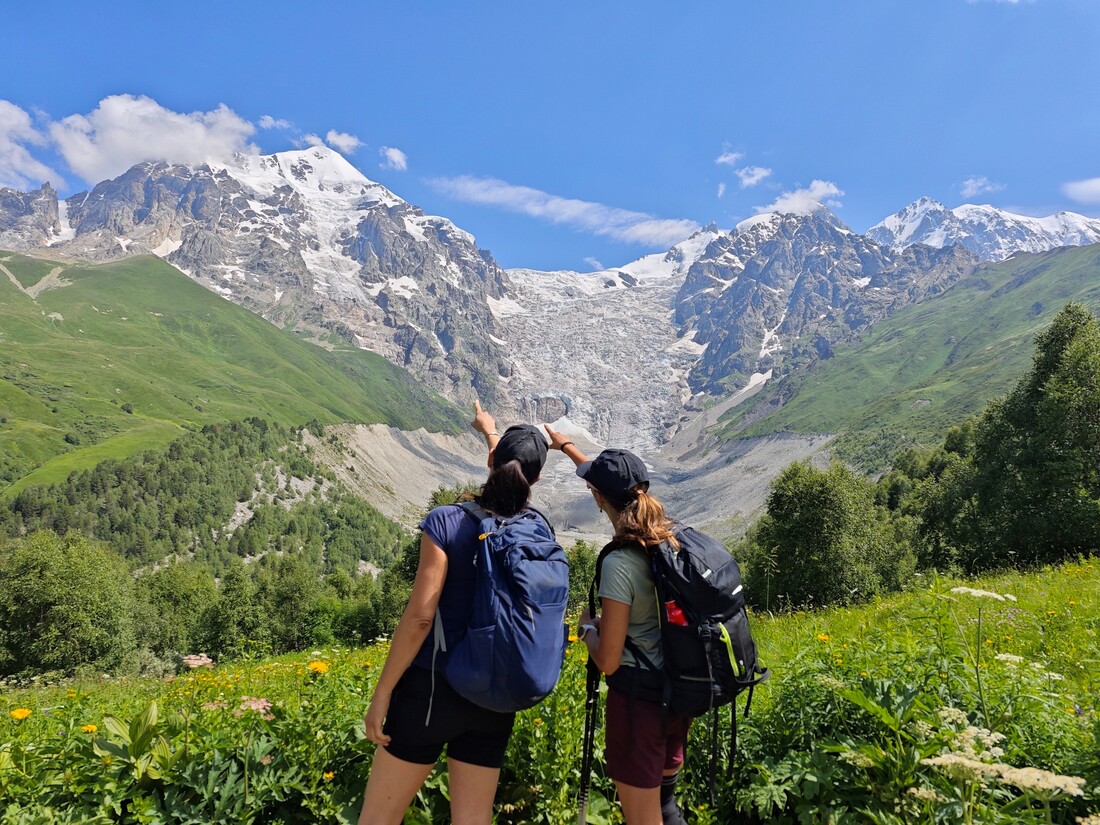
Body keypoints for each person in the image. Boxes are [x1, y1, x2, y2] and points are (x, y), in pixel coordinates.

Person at [358, 402, 550, 825]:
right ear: (536, 479)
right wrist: (490, 431)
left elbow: (420, 618)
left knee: (378, 818)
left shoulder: (445, 521)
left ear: (492, 463)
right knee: (472, 819)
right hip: (494, 696)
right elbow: (510, 469)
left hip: (432, 689)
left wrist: (383, 691)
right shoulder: (537, 528)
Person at [544, 427, 692, 825]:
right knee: (665, 807)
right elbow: (607, 480)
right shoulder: (669, 540)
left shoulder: (619, 563)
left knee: (642, 818)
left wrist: (588, 629)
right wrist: (567, 447)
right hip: (676, 695)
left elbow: (609, 660)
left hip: (638, 704)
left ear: (597, 498)